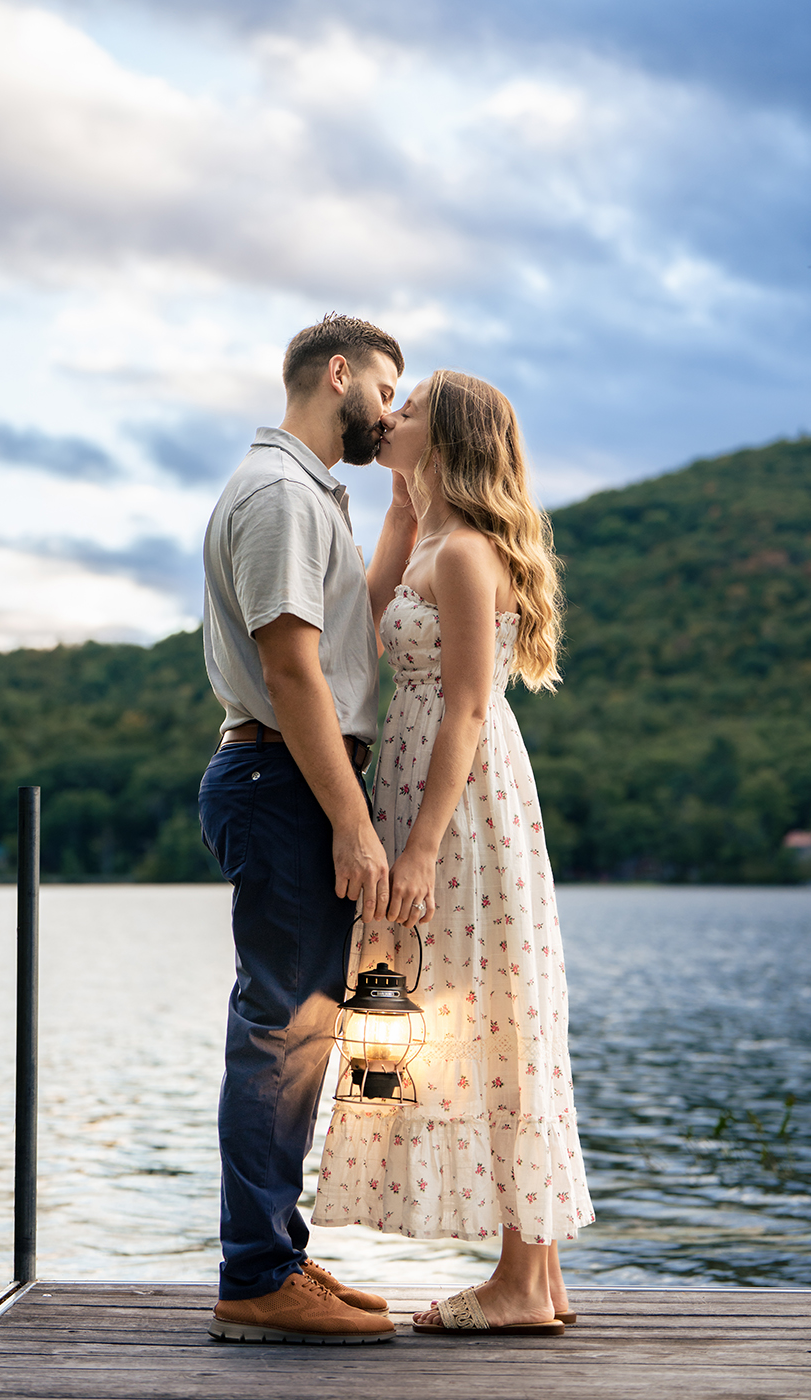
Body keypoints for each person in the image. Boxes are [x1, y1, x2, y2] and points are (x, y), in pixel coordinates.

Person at [312, 369, 595, 1337]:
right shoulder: (430, 535)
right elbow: (360, 624)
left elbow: (471, 702)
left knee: (497, 1016)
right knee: (485, 1013)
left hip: (463, 803)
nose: (391, 416)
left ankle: (519, 1280)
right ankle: (539, 1277)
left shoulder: (469, 552)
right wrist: (398, 510)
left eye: (414, 407)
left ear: (451, 435)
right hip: (426, 784)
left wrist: (422, 846)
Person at [199, 314, 415, 1344]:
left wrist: (403, 520)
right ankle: (255, 1274)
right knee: (283, 1025)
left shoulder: (303, 492)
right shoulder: (284, 493)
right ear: (341, 374)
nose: (393, 407)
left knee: (300, 1021)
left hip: (284, 777)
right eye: (386, 385)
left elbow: (340, 652)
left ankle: (273, 1252)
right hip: (283, 780)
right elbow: (292, 672)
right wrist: (351, 820)